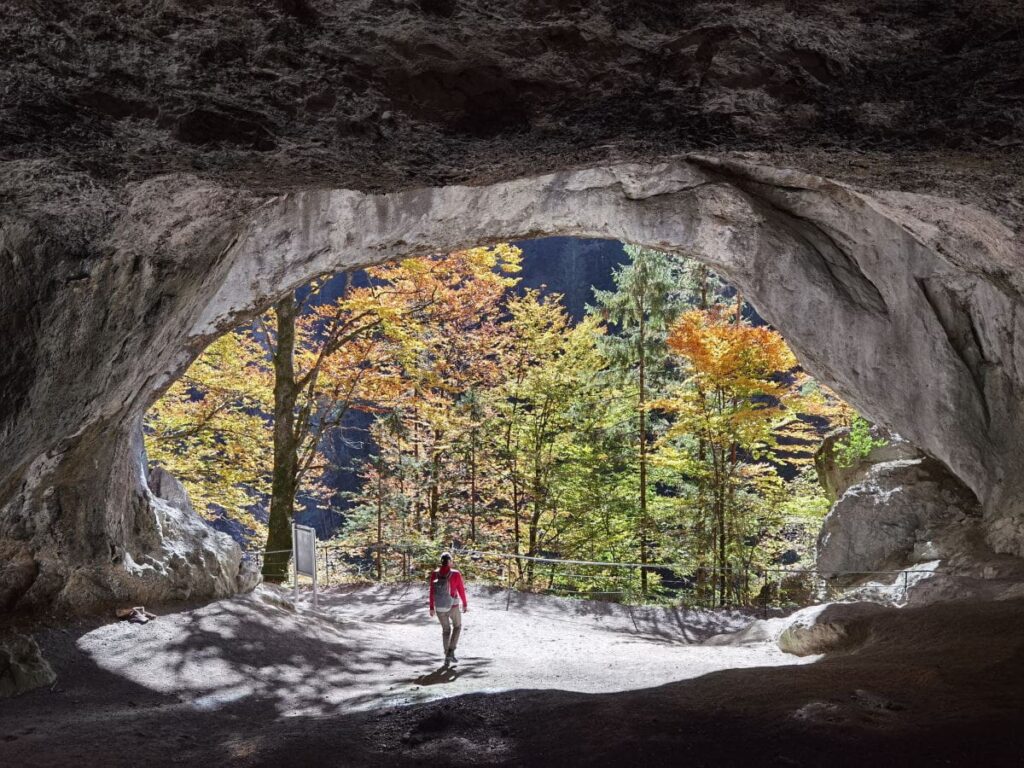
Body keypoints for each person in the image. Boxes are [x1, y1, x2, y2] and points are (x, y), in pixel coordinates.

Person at [428, 551, 468, 665]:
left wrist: (431, 607)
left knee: (446, 631)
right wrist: (465, 604)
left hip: (439, 607)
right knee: (457, 626)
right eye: (451, 560)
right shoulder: (455, 574)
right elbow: (461, 590)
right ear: (449, 561)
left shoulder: (435, 574)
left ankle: (447, 656)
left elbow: (431, 591)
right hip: (453, 606)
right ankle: (451, 652)